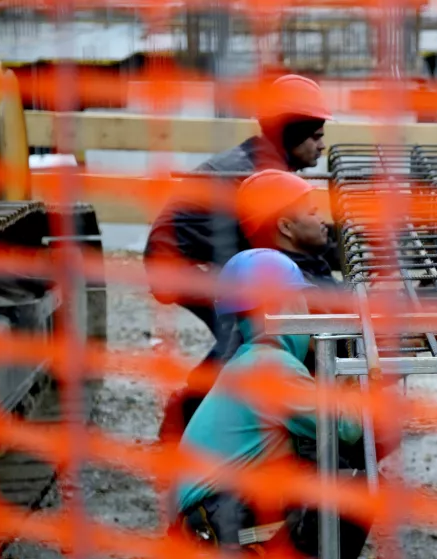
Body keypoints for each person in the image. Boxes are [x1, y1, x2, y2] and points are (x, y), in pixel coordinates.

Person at [148, 75, 336, 442]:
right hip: (180, 265)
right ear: (290, 134)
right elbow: (286, 242)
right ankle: (189, 418)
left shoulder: (263, 161)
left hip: (203, 256)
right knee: (248, 328)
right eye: (314, 137)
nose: (322, 147)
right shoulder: (260, 175)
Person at [174, 248, 378, 558]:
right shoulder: (271, 367)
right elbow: (347, 426)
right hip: (218, 521)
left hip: (209, 517)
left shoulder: (251, 360)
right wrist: (367, 372)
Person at [159, 170, 344, 441]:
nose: (322, 220)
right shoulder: (286, 284)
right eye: (313, 212)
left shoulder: (265, 271)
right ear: (285, 227)